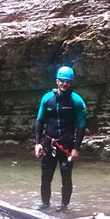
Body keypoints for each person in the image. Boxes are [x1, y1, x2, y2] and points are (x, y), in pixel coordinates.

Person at [33, 65, 87, 210]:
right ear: (57, 81)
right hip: (49, 144)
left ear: (71, 83)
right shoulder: (47, 98)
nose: (64, 84)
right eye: (62, 81)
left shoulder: (76, 100)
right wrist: (37, 143)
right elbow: (39, 120)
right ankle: (45, 205)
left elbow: (81, 125)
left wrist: (76, 148)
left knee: (66, 177)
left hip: (67, 145)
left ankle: (64, 207)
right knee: (45, 178)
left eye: (67, 81)